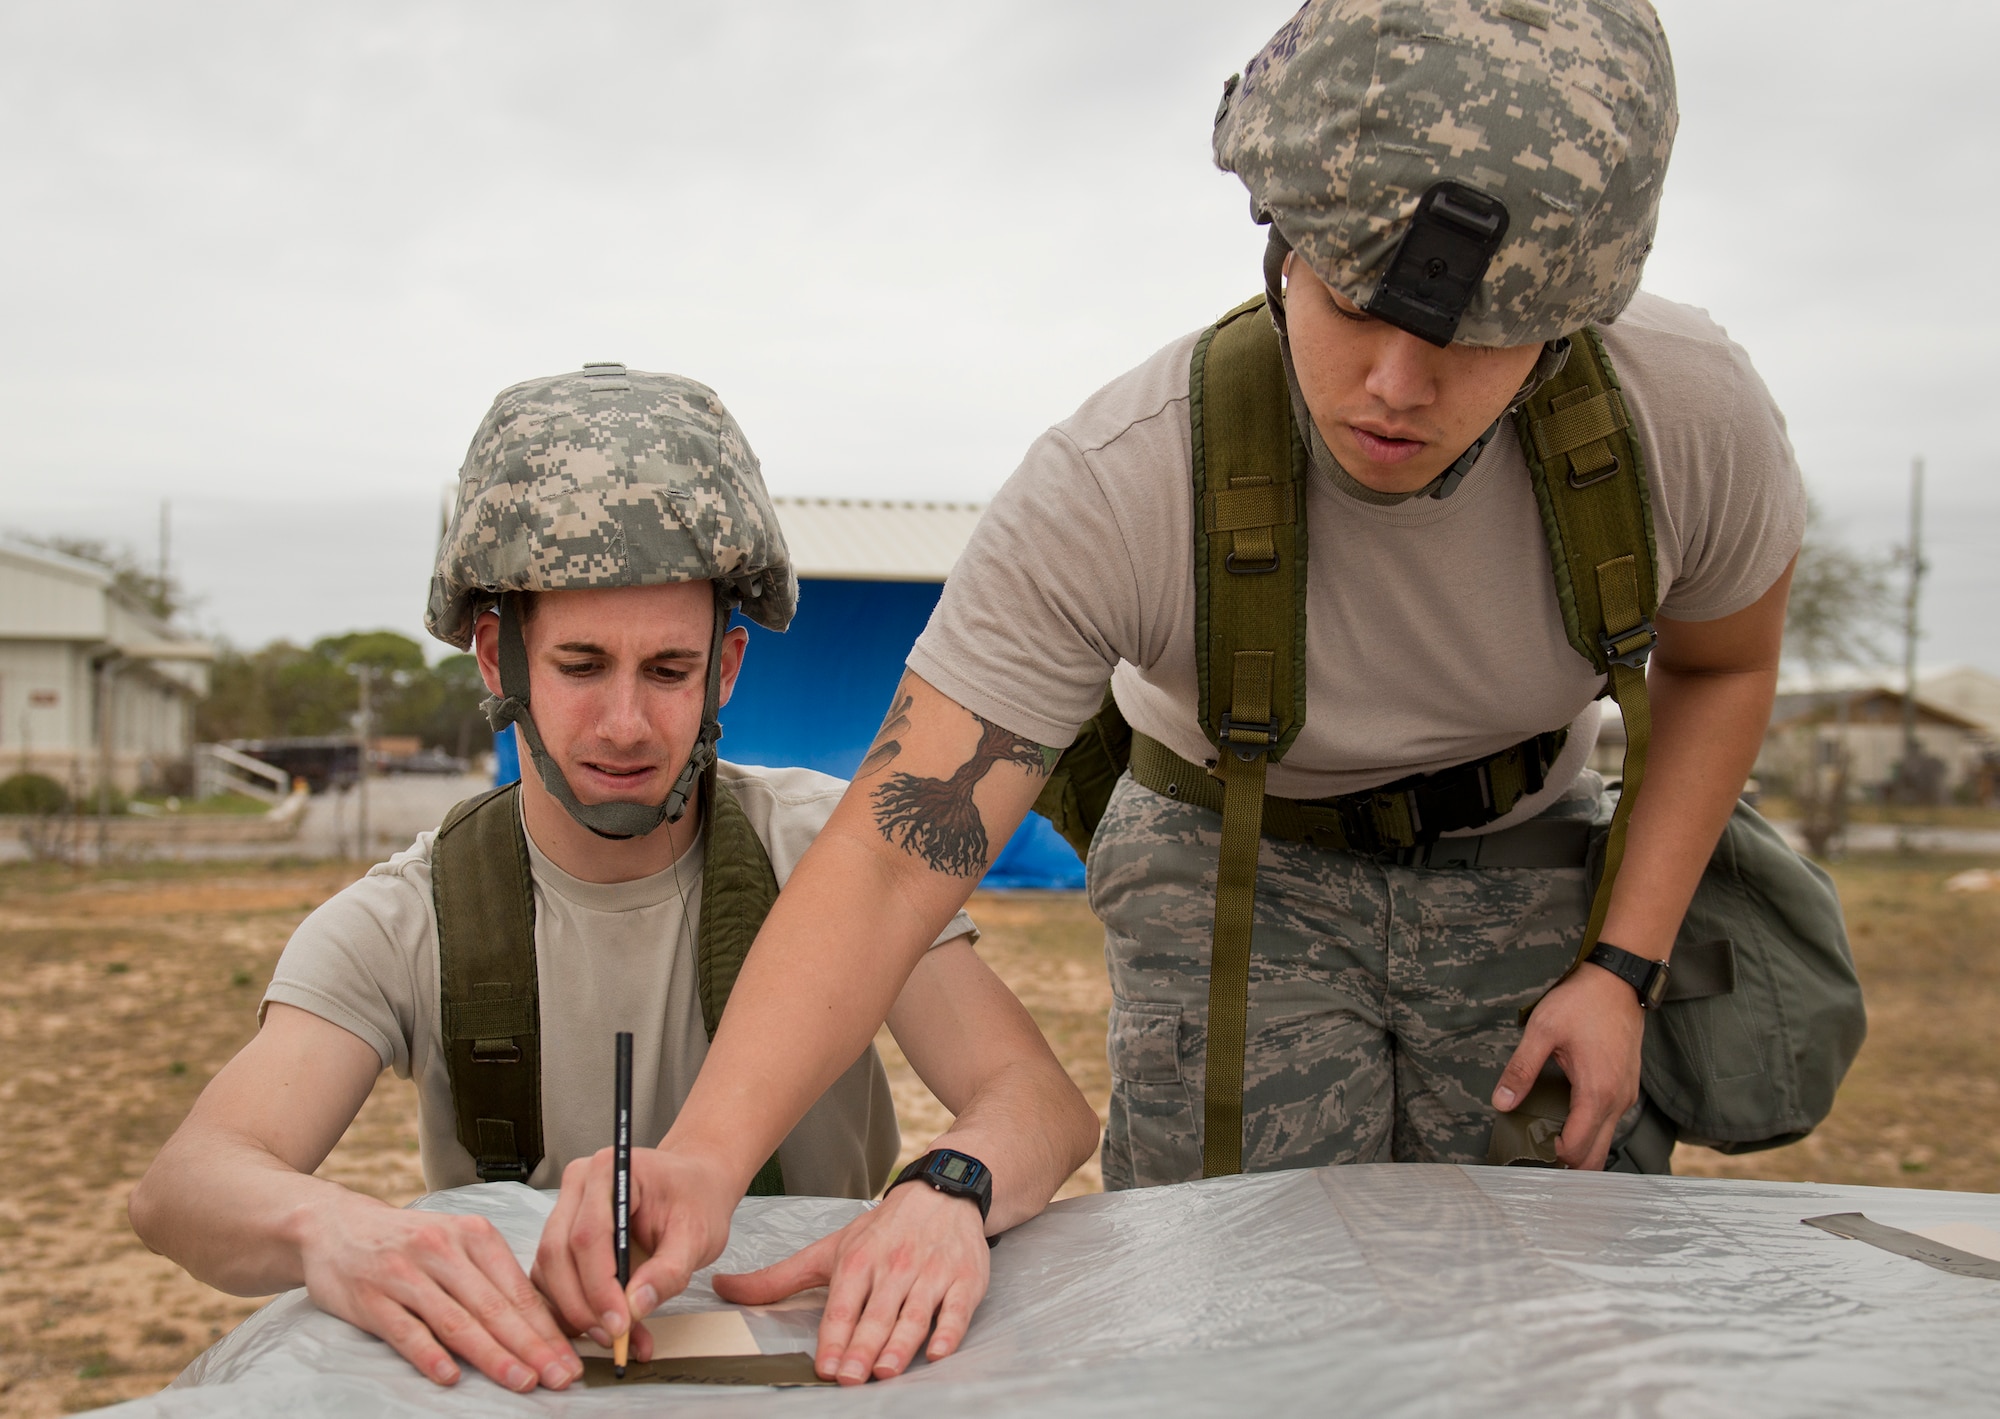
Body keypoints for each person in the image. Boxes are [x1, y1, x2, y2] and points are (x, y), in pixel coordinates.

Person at [530, 0, 1809, 1314]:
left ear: (1574, 309)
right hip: (1233, 853)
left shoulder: (1686, 417)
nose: (1394, 383)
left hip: (1530, 838)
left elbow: (1719, 669)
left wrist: (1621, 965)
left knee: (1547, 1306)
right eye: (1357, 296)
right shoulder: (1122, 481)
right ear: (1284, 239)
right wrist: (703, 1153)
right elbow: (896, 845)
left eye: (1477, 334)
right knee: (1235, 1301)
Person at [127, 364, 1100, 1393]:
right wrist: (338, 1232)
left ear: (725, 669)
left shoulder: (829, 852)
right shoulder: (412, 915)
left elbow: (1037, 1104)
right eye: (582, 666)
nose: (627, 724)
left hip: (828, 1376)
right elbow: (185, 1187)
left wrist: (946, 1191)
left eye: (669, 671)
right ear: (497, 659)